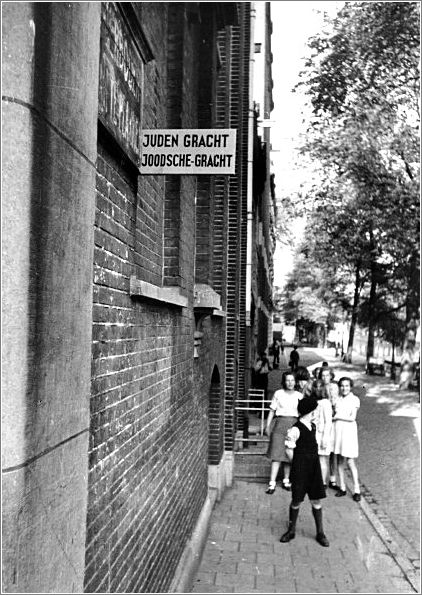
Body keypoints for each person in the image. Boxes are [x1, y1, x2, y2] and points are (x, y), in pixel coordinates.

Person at [280, 396, 329, 547]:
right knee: (297, 500)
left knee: (316, 500)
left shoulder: (312, 426)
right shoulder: (296, 429)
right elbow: (289, 450)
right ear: (310, 412)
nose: (317, 412)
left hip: (314, 469)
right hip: (301, 469)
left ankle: (320, 532)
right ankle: (291, 530)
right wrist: (298, 464)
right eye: (315, 410)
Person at [264, 371, 303, 494]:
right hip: (279, 424)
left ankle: (286, 480)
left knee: (289, 454)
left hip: (293, 425)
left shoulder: (299, 395)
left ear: (295, 382)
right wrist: (267, 425)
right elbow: (272, 410)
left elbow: (302, 414)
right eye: (287, 380)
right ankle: (272, 483)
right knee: (277, 454)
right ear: (284, 381)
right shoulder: (278, 393)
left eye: (292, 380)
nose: (290, 383)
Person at [332, 377, 361, 501]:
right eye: (342, 386)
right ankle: (342, 487)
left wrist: (337, 417)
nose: (344, 388)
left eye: (347, 386)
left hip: (348, 432)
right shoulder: (337, 400)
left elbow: (352, 417)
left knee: (350, 461)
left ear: (351, 387)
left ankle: (357, 489)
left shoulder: (354, 399)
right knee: (339, 460)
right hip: (338, 431)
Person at [318, 366, 340, 490]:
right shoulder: (319, 386)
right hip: (322, 420)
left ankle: (332, 478)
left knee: (332, 452)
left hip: (332, 420)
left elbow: (335, 403)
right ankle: (321, 479)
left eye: (327, 375)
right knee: (321, 452)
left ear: (331, 376)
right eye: (323, 375)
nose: (325, 378)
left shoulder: (333, 387)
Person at [312, 378, 333, 487]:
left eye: (320, 387)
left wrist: (325, 437)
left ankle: (323, 482)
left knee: (322, 459)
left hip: (321, 434)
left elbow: (328, 422)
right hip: (313, 434)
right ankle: (314, 480)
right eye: (316, 387)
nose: (318, 389)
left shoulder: (325, 403)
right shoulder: (314, 401)